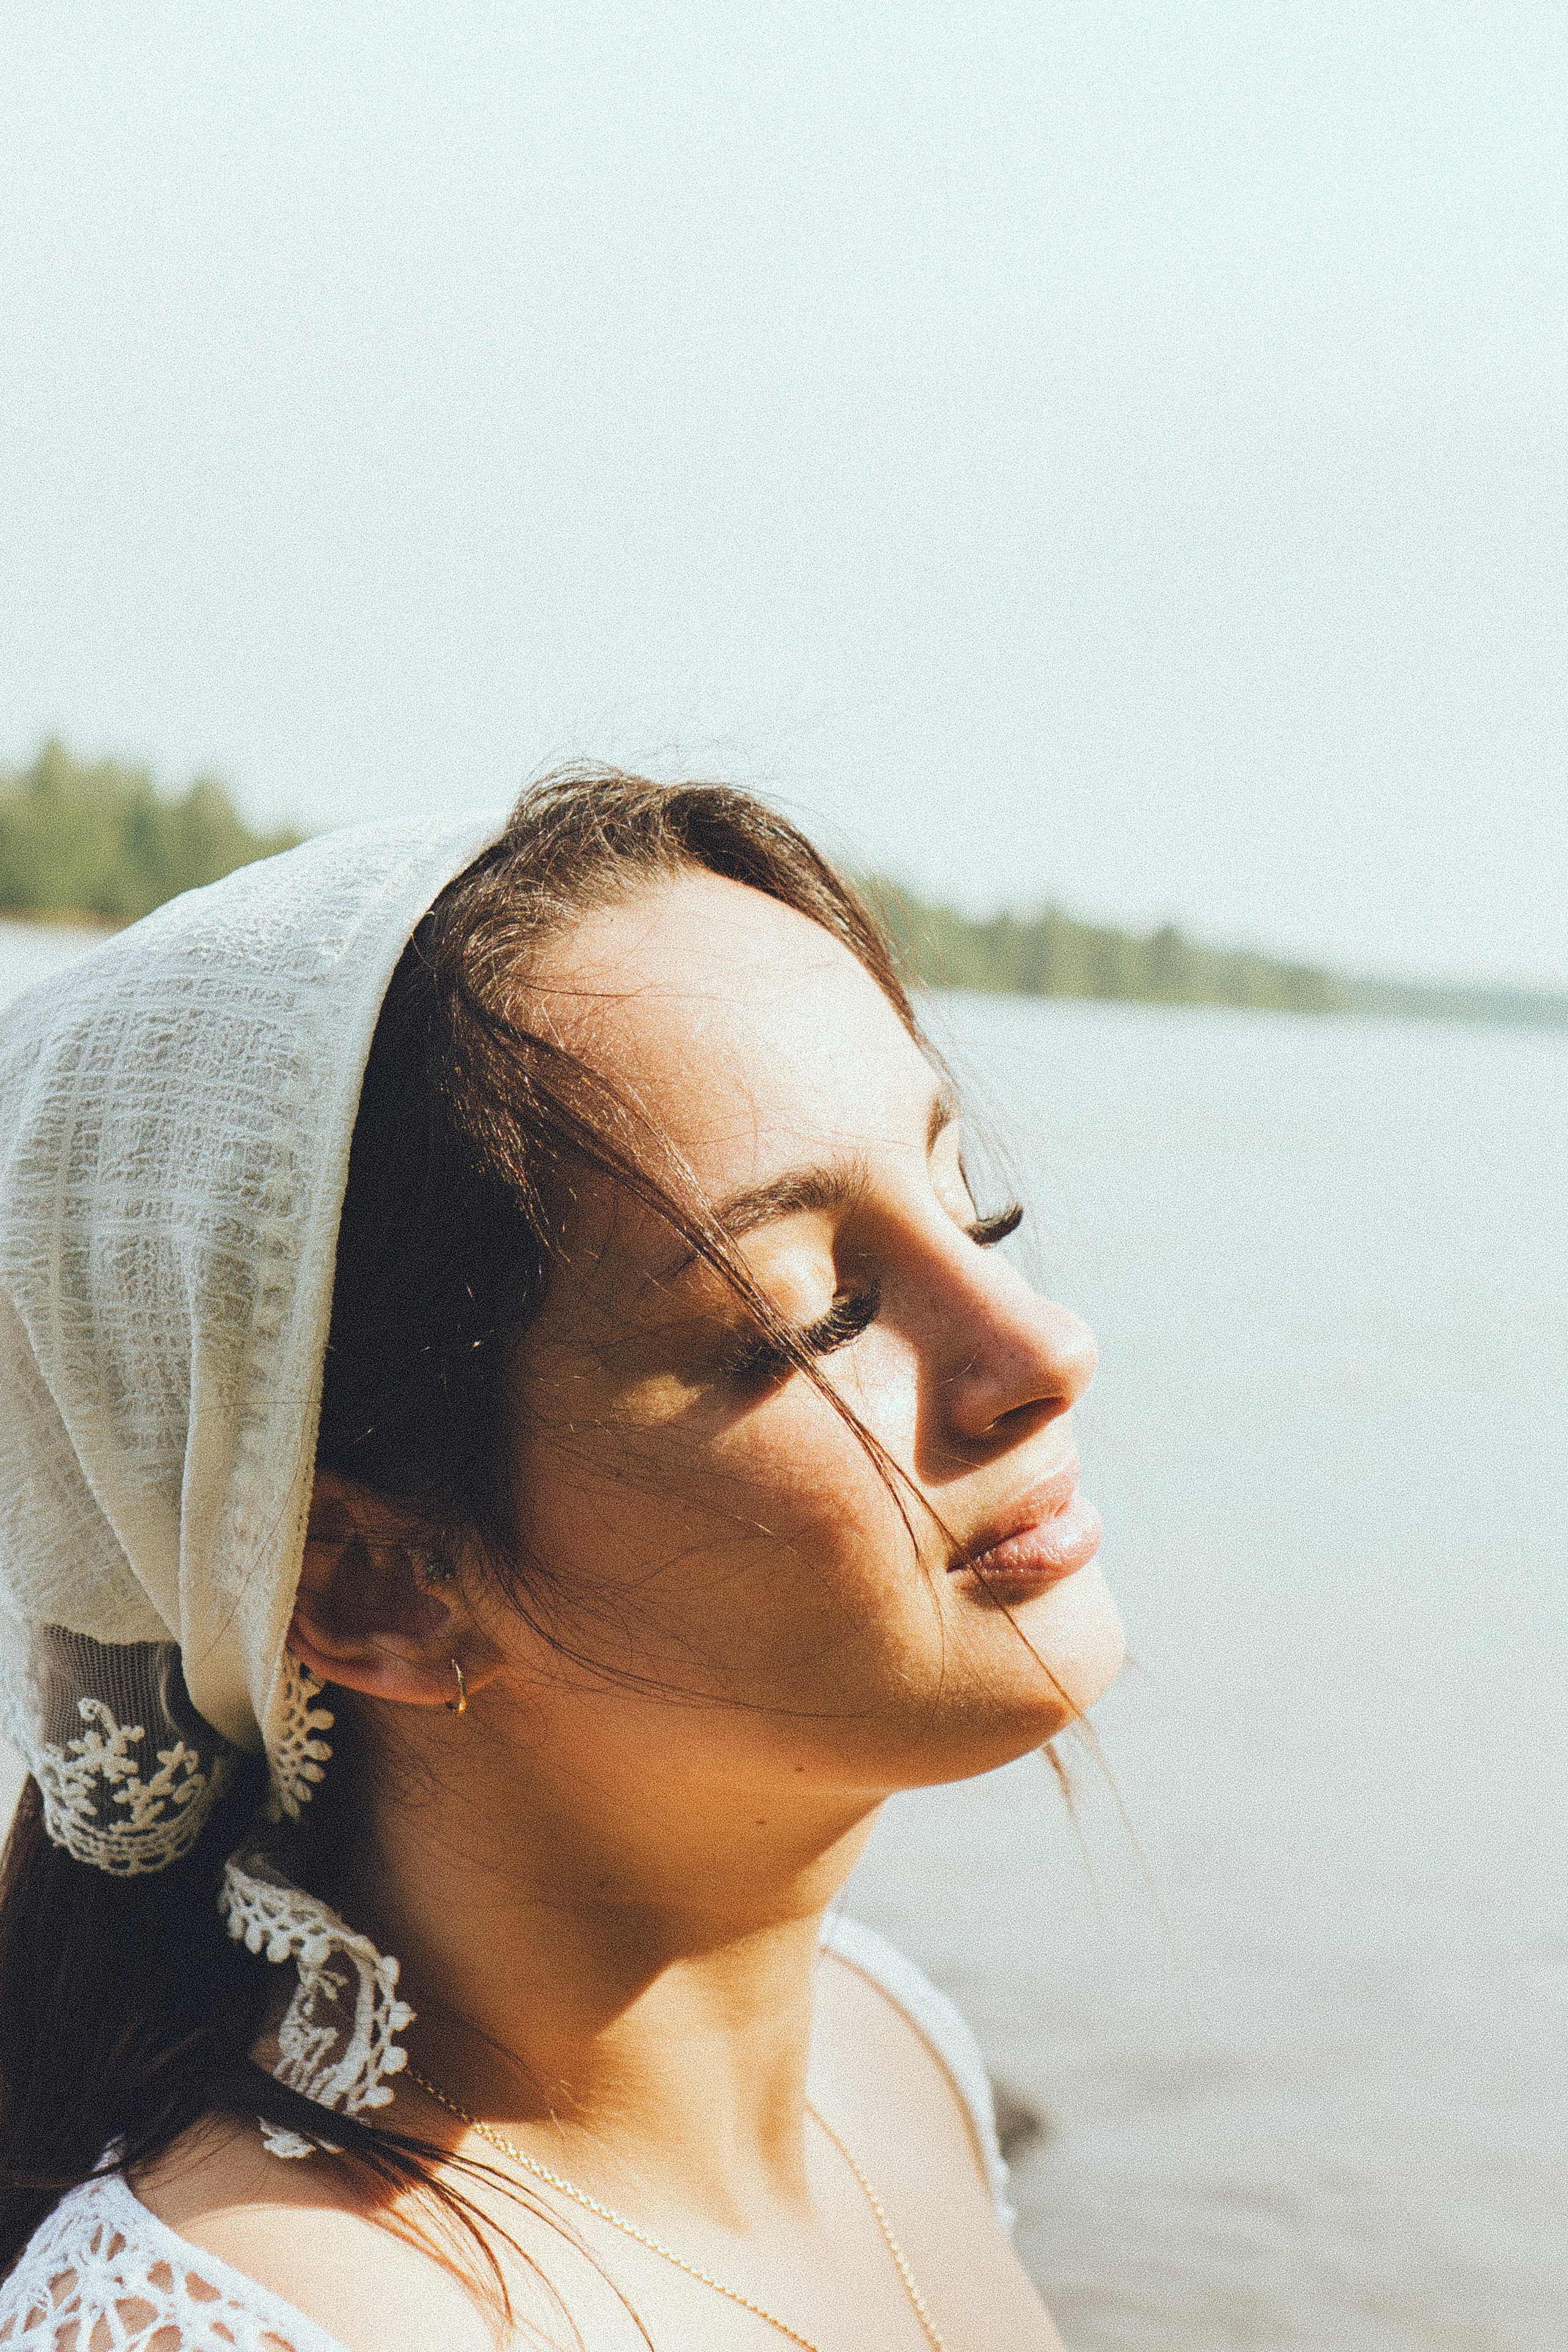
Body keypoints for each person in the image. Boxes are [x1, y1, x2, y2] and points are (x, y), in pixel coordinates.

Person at [0, 772, 1123, 2350]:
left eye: (967, 1204)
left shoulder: (892, 2059)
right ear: (369, 1583)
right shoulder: (254, 2322)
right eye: (805, 1317)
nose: (1044, 1347)